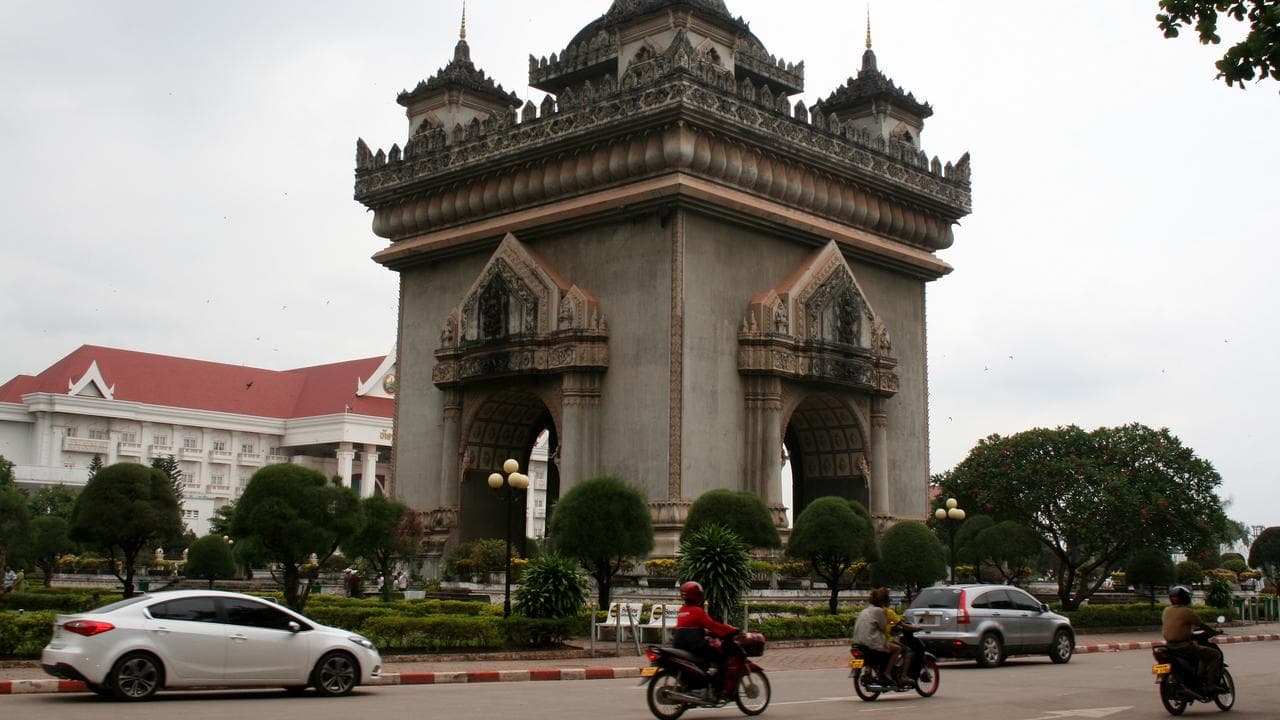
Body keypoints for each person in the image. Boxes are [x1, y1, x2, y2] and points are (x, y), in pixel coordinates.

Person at [674, 580, 739, 697]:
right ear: (697, 596)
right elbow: (713, 625)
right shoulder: (697, 611)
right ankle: (719, 689)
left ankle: (704, 682)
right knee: (722, 658)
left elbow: (692, 626)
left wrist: (706, 632)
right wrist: (732, 630)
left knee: (705, 661)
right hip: (695, 644)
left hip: (680, 644)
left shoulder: (682, 610)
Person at [1162, 585, 1222, 690]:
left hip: (1169, 646)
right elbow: (1201, 625)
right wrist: (1214, 632)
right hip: (1184, 646)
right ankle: (1210, 685)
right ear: (1186, 598)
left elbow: (1177, 627)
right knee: (1215, 654)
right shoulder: (1187, 611)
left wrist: (1191, 635)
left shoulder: (1166, 610)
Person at [853, 587, 906, 684]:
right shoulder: (879, 611)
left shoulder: (864, 611)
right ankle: (887, 673)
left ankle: (869, 671)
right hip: (872, 642)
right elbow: (883, 627)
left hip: (857, 642)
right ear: (883, 601)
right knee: (898, 649)